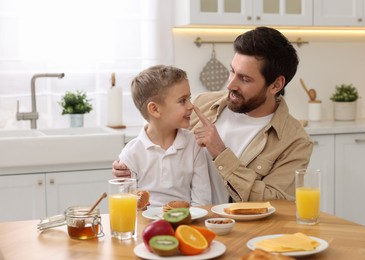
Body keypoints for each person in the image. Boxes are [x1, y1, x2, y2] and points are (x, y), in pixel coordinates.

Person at [113, 26, 313, 203]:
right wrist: (130, 168)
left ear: (276, 85)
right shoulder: (202, 104)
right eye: (232, 71)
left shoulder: (294, 141)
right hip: (190, 226)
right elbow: (160, 137)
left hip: (242, 234)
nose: (230, 84)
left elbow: (277, 203)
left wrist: (221, 153)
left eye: (244, 78)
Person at [116, 65, 212, 207]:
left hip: (185, 222)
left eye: (189, 98)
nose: (191, 105)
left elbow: (202, 202)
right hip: (145, 225)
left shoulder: (194, 145)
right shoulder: (131, 153)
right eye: (182, 100)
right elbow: (127, 206)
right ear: (155, 109)